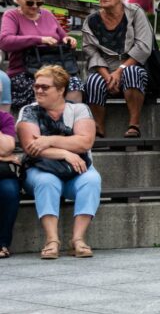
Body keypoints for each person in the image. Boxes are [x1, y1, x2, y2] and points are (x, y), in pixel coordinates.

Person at [17, 65, 101, 259]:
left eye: (45, 87)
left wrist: (49, 140)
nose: (38, 90)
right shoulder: (28, 111)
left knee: (92, 180)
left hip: (77, 169)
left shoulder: (79, 109)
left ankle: (78, 240)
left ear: (61, 89)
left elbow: (85, 141)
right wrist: (65, 153)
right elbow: (31, 147)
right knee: (48, 181)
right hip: (39, 169)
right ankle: (52, 240)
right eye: (36, 86)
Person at [81, 0, 153, 139]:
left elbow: (143, 46)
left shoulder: (135, 13)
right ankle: (98, 127)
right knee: (93, 81)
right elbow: (90, 50)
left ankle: (134, 124)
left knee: (132, 73)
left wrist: (120, 70)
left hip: (132, 64)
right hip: (104, 68)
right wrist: (107, 75)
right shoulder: (91, 20)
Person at [0, 0, 83, 110]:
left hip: (55, 67)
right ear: (17, 0)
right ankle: (47, 126)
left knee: (74, 82)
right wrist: (39, 39)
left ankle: (71, 123)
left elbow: (62, 36)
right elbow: (5, 41)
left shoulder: (47, 14)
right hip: (25, 71)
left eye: (39, 3)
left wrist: (68, 40)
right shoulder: (12, 16)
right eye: (30, 2)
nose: (35, 6)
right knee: (46, 86)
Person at [0, 99, 20, 258]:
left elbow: (7, 148)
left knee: (10, 190)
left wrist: (4, 156)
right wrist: (4, 158)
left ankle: (2, 243)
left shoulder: (5, 118)